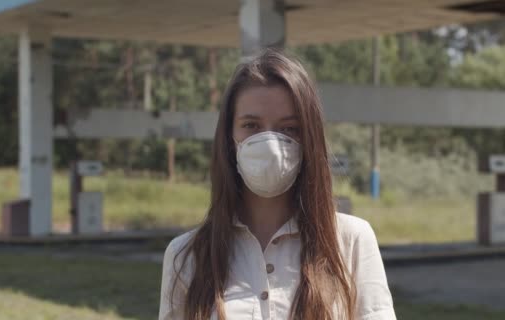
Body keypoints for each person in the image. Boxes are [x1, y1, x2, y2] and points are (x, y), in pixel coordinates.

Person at [159, 49, 396, 320]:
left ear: (310, 139)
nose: (270, 144)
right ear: (228, 138)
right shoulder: (186, 256)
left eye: (289, 128)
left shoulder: (351, 241)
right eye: (251, 125)